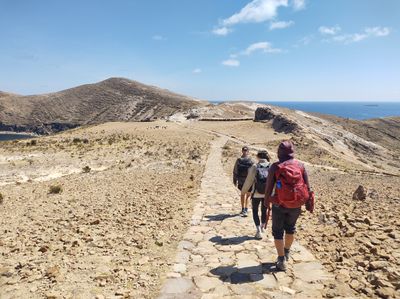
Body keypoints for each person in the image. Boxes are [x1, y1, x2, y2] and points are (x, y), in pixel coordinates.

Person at [264, 140, 311, 271]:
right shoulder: (300, 166)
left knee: (277, 232)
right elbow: (307, 186)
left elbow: (269, 187)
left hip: (279, 203)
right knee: (291, 228)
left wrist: (266, 201)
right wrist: (307, 202)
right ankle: (287, 251)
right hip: (296, 204)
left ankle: (281, 260)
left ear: (280, 152)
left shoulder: (276, 166)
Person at [241, 150, 270, 239]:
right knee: (264, 211)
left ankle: (258, 230)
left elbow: (249, 180)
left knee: (255, 211)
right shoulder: (271, 166)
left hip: (256, 193)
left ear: (258, 157)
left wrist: (243, 192)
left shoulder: (255, 166)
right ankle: (262, 227)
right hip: (267, 194)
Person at [233, 146, 253, 216]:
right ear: (248, 151)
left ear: (242, 151)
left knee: (242, 195)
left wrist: (234, 180)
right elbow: (254, 171)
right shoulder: (251, 160)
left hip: (241, 180)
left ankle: (243, 209)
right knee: (248, 195)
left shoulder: (239, 160)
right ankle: (246, 209)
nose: (245, 152)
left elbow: (235, 171)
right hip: (248, 180)